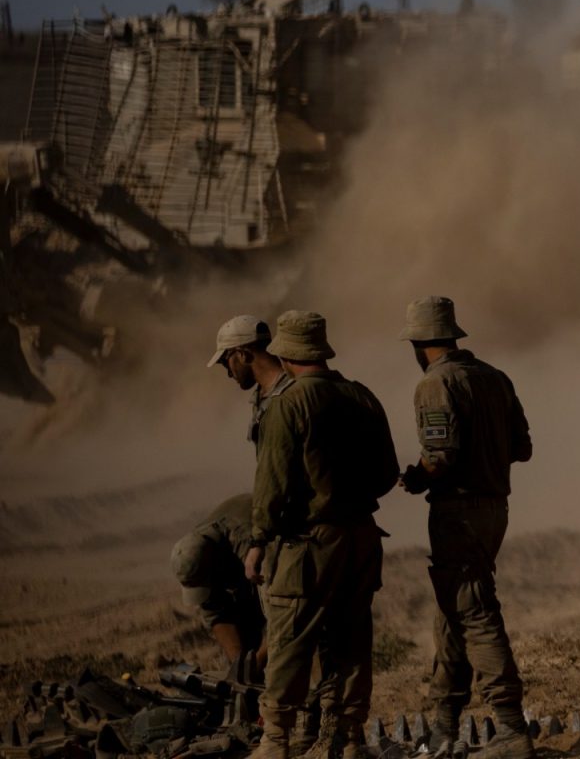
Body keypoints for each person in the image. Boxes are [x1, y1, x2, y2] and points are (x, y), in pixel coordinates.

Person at [246, 311, 399, 759]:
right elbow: (387, 472)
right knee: (352, 640)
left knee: (290, 638)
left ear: (285, 354)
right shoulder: (361, 396)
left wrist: (258, 540)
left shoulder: (288, 403)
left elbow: (272, 484)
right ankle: (347, 738)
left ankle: (275, 742)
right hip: (362, 536)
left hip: (310, 543)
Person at [398, 297, 534, 759]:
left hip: (458, 513)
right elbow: (522, 448)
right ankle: (445, 724)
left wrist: (416, 478)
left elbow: (439, 457)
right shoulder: (496, 377)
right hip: (494, 509)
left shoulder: (435, 383)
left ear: (419, 344)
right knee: (452, 613)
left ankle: (511, 728)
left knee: (474, 613)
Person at [171, 493, 265, 677]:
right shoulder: (197, 549)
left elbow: (284, 614)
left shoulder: (246, 542)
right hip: (244, 576)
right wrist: (239, 665)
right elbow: (215, 612)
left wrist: (258, 661)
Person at [207, 315, 292, 448]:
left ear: (243, 355)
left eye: (225, 362)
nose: (229, 373)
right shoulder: (261, 400)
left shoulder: (293, 396)